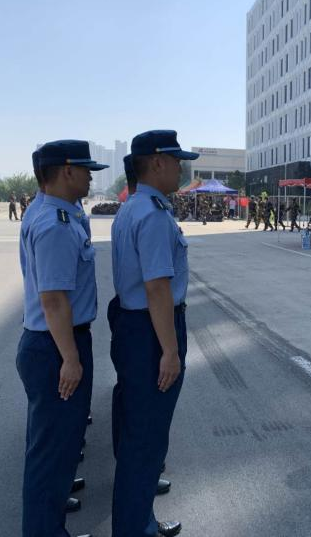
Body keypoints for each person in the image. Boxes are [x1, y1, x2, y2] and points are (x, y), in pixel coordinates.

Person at [16, 140, 107, 537]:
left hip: (51, 343)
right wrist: (70, 358)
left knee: (52, 449)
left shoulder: (48, 210)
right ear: (67, 171)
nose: (90, 177)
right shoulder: (55, 224)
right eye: (86, 170)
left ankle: (49, 511)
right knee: (51, 454)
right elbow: (53, 300)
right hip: (58, 347)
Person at [109, 130, 196, 537]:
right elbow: (158, 288)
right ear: (158, 162)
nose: (181, 168)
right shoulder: (154, 215)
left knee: (137, 432)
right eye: (177, 161)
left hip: (135, 327)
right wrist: (170, 351)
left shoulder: (133, 208)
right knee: (146, 437)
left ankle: (137, 513)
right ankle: (135, 527)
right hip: (152, 331)